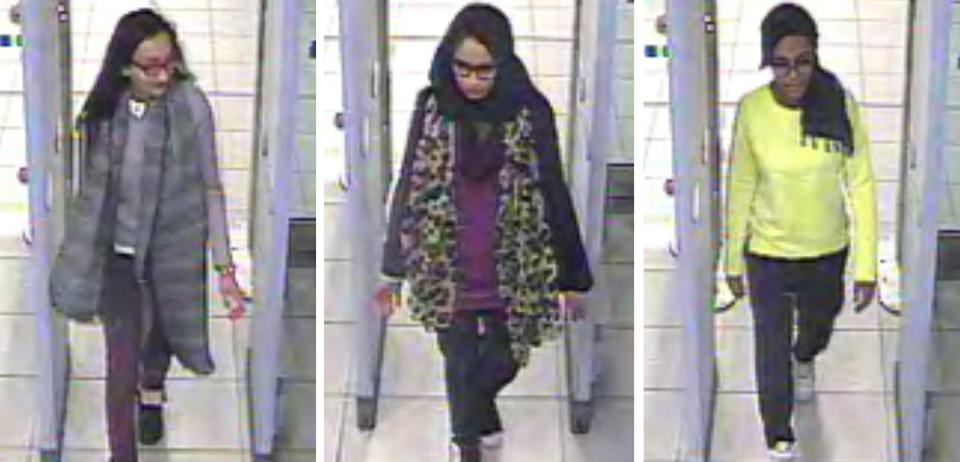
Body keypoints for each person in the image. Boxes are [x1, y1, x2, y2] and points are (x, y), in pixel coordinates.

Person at [374, 4, 593, 462]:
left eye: (484, 70)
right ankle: (469, 446)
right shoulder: (431, 106)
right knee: (458, 364)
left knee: (500, 362)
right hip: (445, 267)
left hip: (513, 269)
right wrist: (392, 268)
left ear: (504, 64)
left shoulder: (531, 113)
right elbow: (409, 183)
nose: (472, 81)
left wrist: (573, 278)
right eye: (463, 69)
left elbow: (554, 190)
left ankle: (479, 421)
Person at [47, 9, 246, 462]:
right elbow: (86, 190)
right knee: (119, 369)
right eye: (149, 67)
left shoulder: (191, 107)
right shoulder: (103, 113)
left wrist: (226, 271)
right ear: (124, 67)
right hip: (118, 259)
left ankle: (152, 390)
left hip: (170, 252)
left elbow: (211, 187)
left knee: (160, 339)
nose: (162, 76)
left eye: (168, 63)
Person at [723, 4, 878, 460]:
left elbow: (862, 184)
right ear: (766, 62)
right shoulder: (752, 110)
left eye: (802, 62)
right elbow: (741, 185)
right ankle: (778, 428)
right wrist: (731, 258)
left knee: (817, 326)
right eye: (781, 64)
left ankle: (806, 354)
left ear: (816, 58)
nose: (792, 75)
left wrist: (867, 266)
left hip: (826, 249)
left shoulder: (839, 104)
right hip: (767, 251)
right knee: (769, 343)